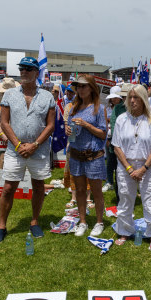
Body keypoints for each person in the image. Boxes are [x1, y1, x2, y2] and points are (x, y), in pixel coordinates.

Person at [0, 57, 56, 243]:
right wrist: (19, 145)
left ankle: (34, 222)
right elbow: (4, 122)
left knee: (38, 186)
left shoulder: (47, 96)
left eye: (28, 69)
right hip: (14, 150)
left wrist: (34, 144)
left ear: (37, 72)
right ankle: (2, 226)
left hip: (39, 149)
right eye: (22, 69)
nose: (24, 72)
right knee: (8, 187)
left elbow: (50, 125)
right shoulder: (10, 95)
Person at [112, 84, 151, 250]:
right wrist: (129, 168)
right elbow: (117, 147)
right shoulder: (122, 119)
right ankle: (124, 230)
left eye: (136, 97)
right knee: (126, 197)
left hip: (147, 165)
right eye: (130, 97)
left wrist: (143, 169)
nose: (133, 101)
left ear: (143, 100)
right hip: (125, 165)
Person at [64, 75, 107, 236]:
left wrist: (87, 125)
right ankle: (82, 222)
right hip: (76, 154)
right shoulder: (74, 108)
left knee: (96, 191)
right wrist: (67, 130)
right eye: (78, 87)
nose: (80, 89)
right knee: (80, 190)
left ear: (91, 88)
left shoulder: (99, 108)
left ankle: (99, 221)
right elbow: (69, 129)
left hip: (93, 155)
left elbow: (103, 134)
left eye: (83, 86)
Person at [103, 85, 124, 194]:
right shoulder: (108, 108)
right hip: (110, 138)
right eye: (112, 97)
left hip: (120, 140)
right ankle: (110, 181)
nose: (114, 99)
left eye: (116, 97)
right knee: (110, 161)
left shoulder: (124, 108)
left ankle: (119, 183)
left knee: (119, 162)